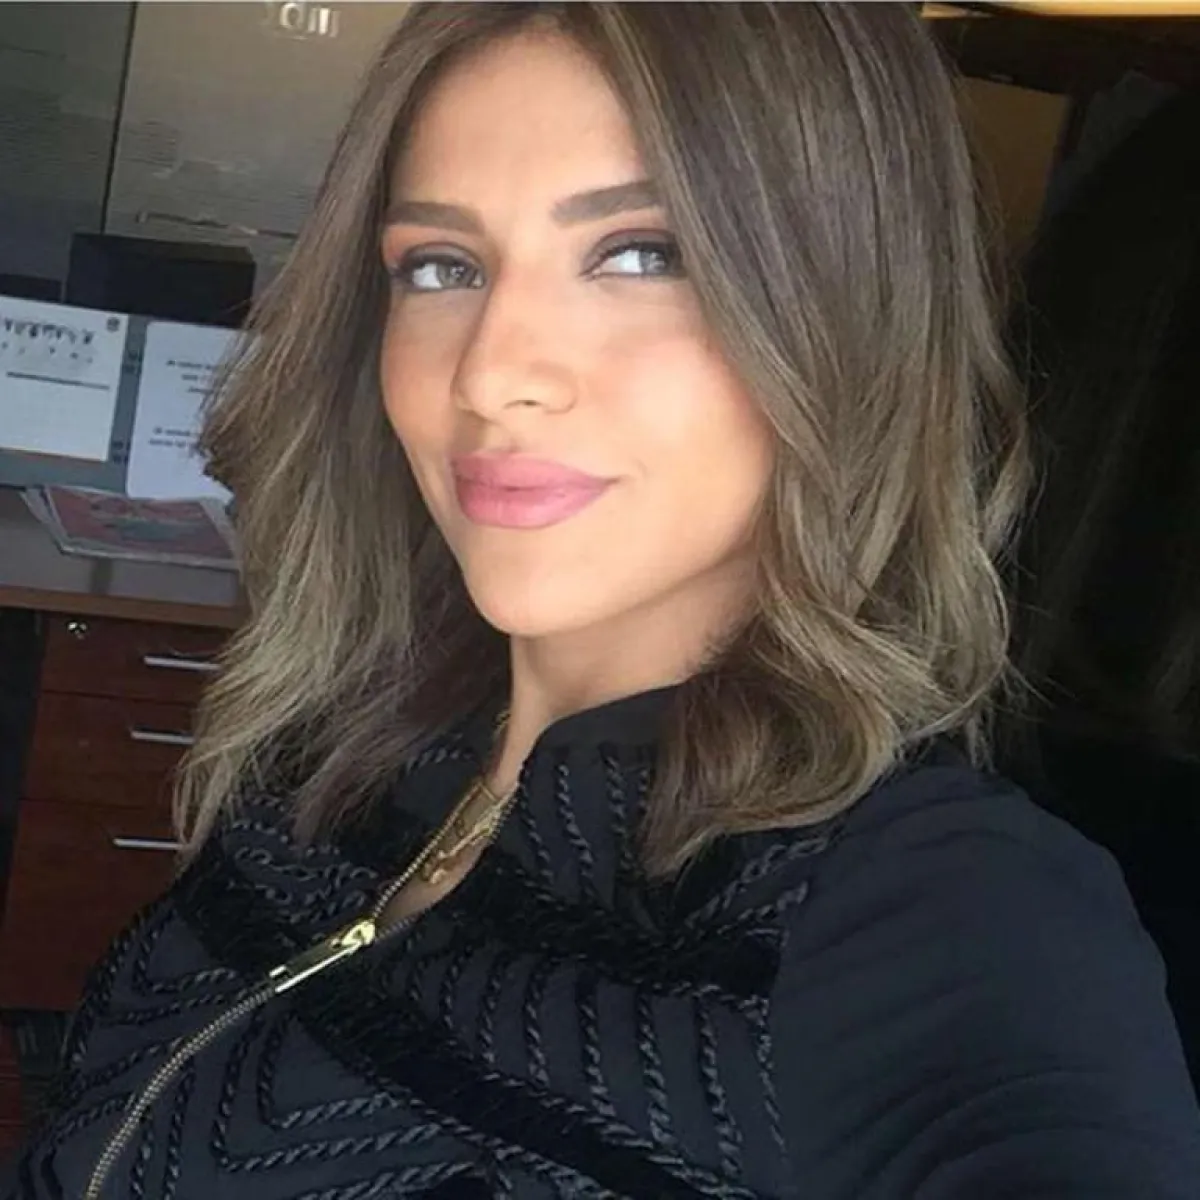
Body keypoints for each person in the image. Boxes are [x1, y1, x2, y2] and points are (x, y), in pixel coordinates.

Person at [9, 4, 1200, 1197]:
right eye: (442, 266)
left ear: (851, 313)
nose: (492, 373)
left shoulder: (933, 913)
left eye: (641, 254)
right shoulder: (347, 754)